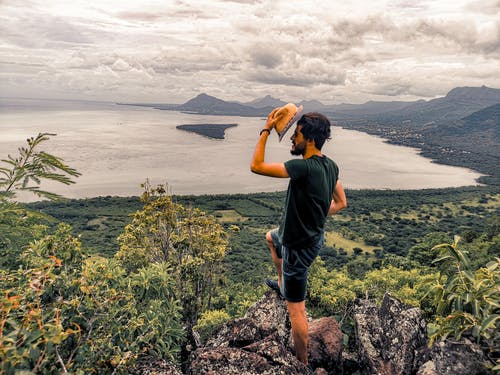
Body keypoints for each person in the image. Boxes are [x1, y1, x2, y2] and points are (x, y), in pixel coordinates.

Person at [250, 110, 347, 365]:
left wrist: (266, 130)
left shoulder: (303, 167)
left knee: (298, 312)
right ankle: (283, 284)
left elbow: (256, 166)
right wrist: (315, 214)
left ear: (310, 139)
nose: (292, 138)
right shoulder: (331, 165)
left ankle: (302, 365)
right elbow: (341, 202)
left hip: (298, 246)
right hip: (305, 237)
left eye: (296, 133)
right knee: (271, 238)